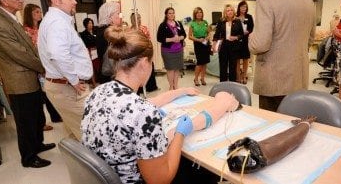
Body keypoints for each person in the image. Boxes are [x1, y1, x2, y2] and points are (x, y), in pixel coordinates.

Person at [81, 26, 239, 184]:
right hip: (137, 179)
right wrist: (180, 133)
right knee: (203, 171)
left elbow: (140, 106)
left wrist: (179, 91)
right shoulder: (142, 112)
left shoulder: (98, 92)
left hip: (111, 174)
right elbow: (160, 180)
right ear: (144, 63)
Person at [0, 0, 54, 168]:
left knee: (37, 116)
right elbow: (18, 53)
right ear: (3, 0)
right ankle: (29, 157)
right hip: (19, 80)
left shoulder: (11, 18)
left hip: (29, 77)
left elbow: (29, 47)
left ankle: (38, 145)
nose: (21, 0)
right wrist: (43, 67)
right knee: (26, 121)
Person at [248, 0, 316, 112]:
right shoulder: (308, 1)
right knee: (292, 123)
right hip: (298, 78)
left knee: (272, 127)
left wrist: (251, 39)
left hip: (274, 80)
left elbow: (260, 44)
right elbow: (310, 39)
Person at [38, 0, 93, 139]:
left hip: (65, 85)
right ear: (56, 1)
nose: (75, 1)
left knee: (75, 130)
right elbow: (58, 54)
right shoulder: (57, 23)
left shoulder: (55, 20)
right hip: (68, 87)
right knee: (89, 133)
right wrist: (74, 80)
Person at [23, 3, 63, 131]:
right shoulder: (26, 30)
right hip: (36, 66)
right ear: (29, 14)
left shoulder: (42, 28)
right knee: (42, 95)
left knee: (50, 91)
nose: (40, 14)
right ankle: (42, 122)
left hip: (47, 63)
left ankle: (55, 115)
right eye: (36, 12)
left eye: (40, 12)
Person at [212, 4, 244, 82]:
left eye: (231, 10)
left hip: (234, 47)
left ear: (233, 11)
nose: (230, 12)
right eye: (228, 10)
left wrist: (235, 37)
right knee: (223, 67)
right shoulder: (221, 21)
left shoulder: (237, 21)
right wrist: (214, 44)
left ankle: (232, 85)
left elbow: (242, 34)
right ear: (225, 12)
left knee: (233, 68)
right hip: (223, 46)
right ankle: (223, 85)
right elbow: (216, 34)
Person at [157, 7, 186, 90]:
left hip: (179, 50)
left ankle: (175, 86)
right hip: (168, 51)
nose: (172, 14)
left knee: (177, 69)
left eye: (173, 13)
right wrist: (172, 39)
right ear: (166, 14)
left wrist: (180, 38)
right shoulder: (163, 25)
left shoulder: (178, 23)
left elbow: (184, 34)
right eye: (169, 13)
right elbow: (159, 38)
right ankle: (171, 86)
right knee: (170, 69)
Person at [130, 12, 159, 93]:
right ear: (131, 20)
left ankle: (151, 87)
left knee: (149, 67)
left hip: (144, 51)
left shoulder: (144, 28)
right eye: (135, 18)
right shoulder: (129, 30)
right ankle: (138, 88)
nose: (138, 20)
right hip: (134, 53)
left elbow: (148, 40)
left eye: (139, 18)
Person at [95, 1, 122, 84]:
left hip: (106, 75)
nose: (121, 16)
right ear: (110, 17)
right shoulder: (110, 33)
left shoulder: (101, 31)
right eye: (118, 13)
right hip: (113, 76)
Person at [188, 7, 211, 86]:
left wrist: (207, 37)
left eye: (200, 12)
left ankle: (203, 78)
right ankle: (196, 78)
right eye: (197, 12)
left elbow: (209, 33)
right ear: (195, 14)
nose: (199, 14)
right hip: (197, 43)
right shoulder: (192, 23)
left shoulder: (205, 22)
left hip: (205, 43)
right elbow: (189, 36)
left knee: (205, 62)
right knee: (199, 62)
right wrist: (198, 40)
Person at [236, 0, 254, 84]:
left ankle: (244, 76)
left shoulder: (249, 16)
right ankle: (238, 77)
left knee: (246, 59)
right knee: (237, 59)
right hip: (237, 40)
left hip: (246, 40)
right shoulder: (236, 17)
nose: (244, 8)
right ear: (239, 7)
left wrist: (248, 31)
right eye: (242, 6)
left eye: (245, 7)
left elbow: (251, 28)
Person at [80, 17, 99, 87]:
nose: (91, 25)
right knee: (92, 67)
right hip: (89, 51)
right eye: (89, 23)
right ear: (85, 24)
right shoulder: (83, 34)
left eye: (91, 23)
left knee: (98, 66)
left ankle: (98, 80)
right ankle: (94, 83)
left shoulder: (96, 31)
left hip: (97, 51)